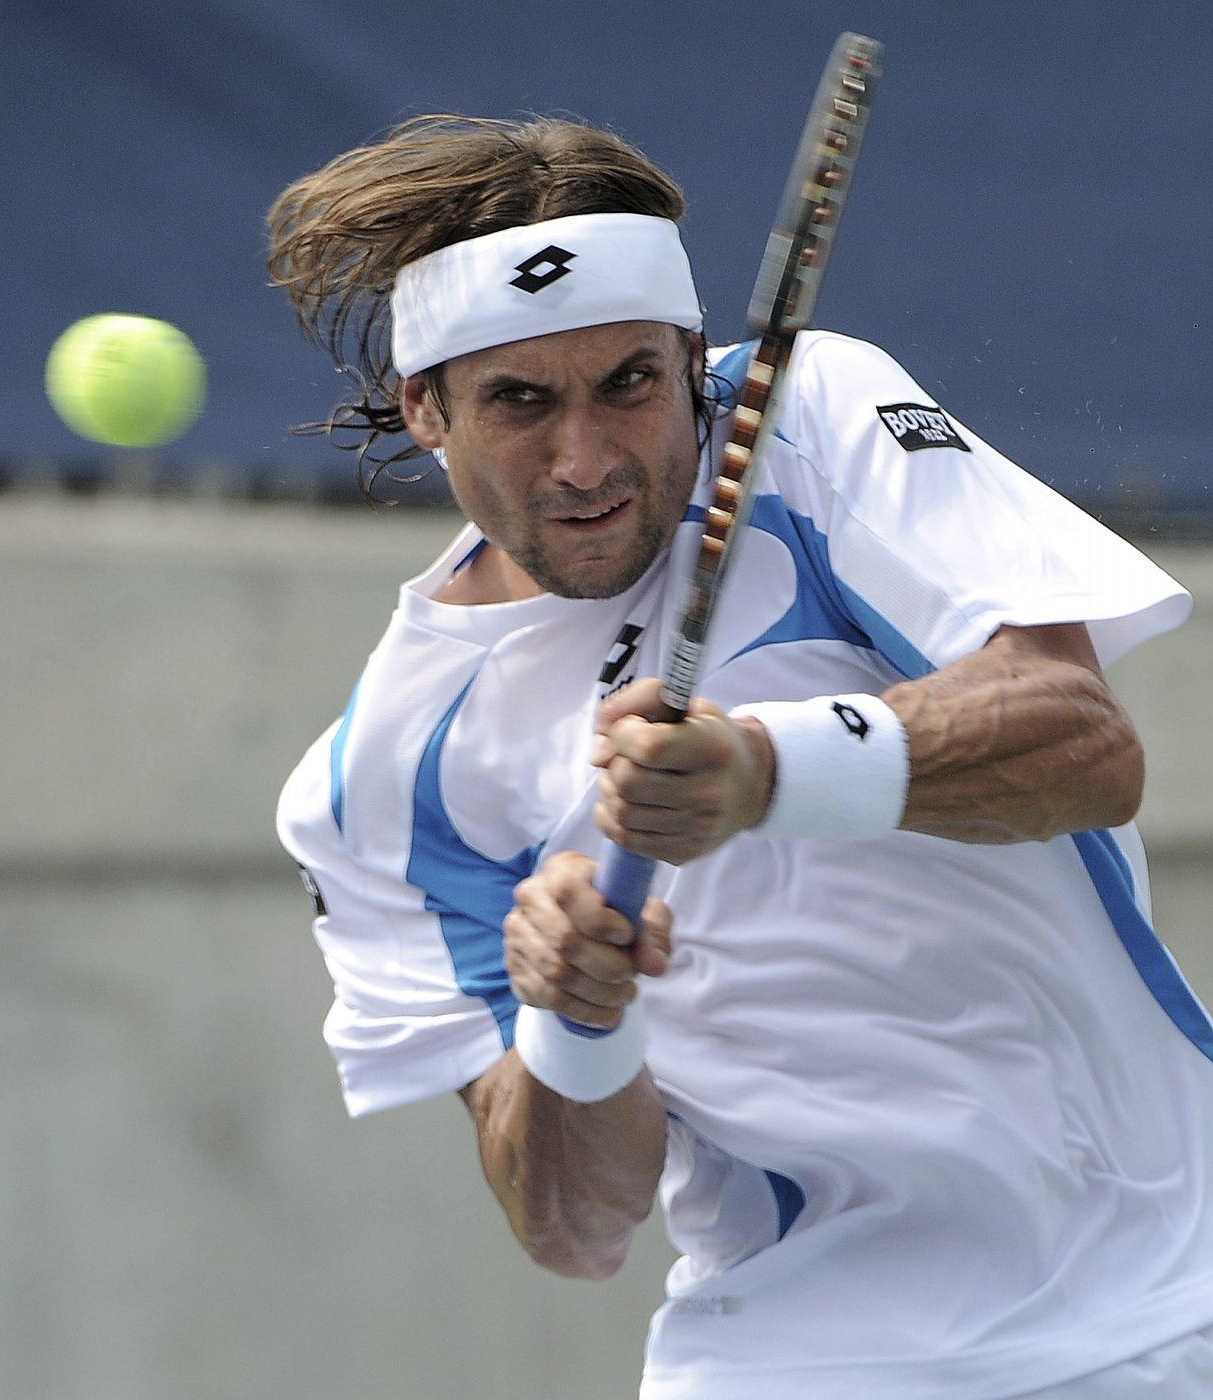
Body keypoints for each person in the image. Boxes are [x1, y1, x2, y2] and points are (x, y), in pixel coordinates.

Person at [269, 114, 1213, 1398]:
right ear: (424, 407)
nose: (587, 458)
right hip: (788, 1356)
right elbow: (571, 1226)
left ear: (689, 364)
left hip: (1165, 1297)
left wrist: (763, 768)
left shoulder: (806, 419)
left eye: (630, 383)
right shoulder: (378, 777)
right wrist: (575, 1017)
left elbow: (1081, 744)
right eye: (521, 402)